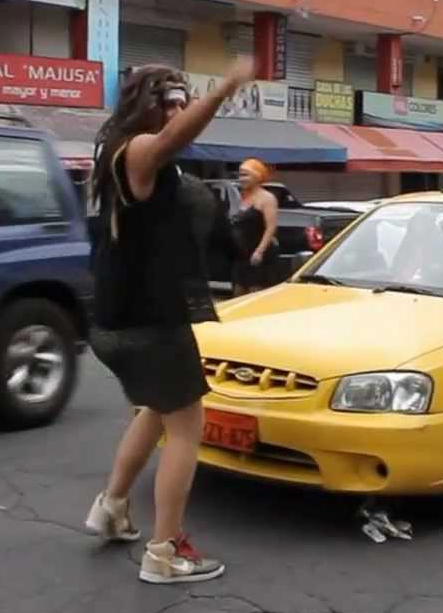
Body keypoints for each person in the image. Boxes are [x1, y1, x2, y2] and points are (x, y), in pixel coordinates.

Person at [84, 58, 256, 584]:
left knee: (157, 409)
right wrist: (222, 90)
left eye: (185, 101)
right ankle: (166, 551)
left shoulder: (112, 150)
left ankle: (112, 507)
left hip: (117, 320)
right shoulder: (137, 150)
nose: (178, 112)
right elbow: (168, 142)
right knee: (186, 426)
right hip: (149, 323)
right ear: (146, 106)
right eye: (170, 102)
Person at [231, 158, 279, 296]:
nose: (241, 179)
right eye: (240, 175)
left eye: (245, 175)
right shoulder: (241, 197)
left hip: (258, 254)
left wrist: (259, 251)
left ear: (257, 176)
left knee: (254, 293)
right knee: (237, 293)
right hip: (241, 256)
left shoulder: (267, 198)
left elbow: (271, 228)